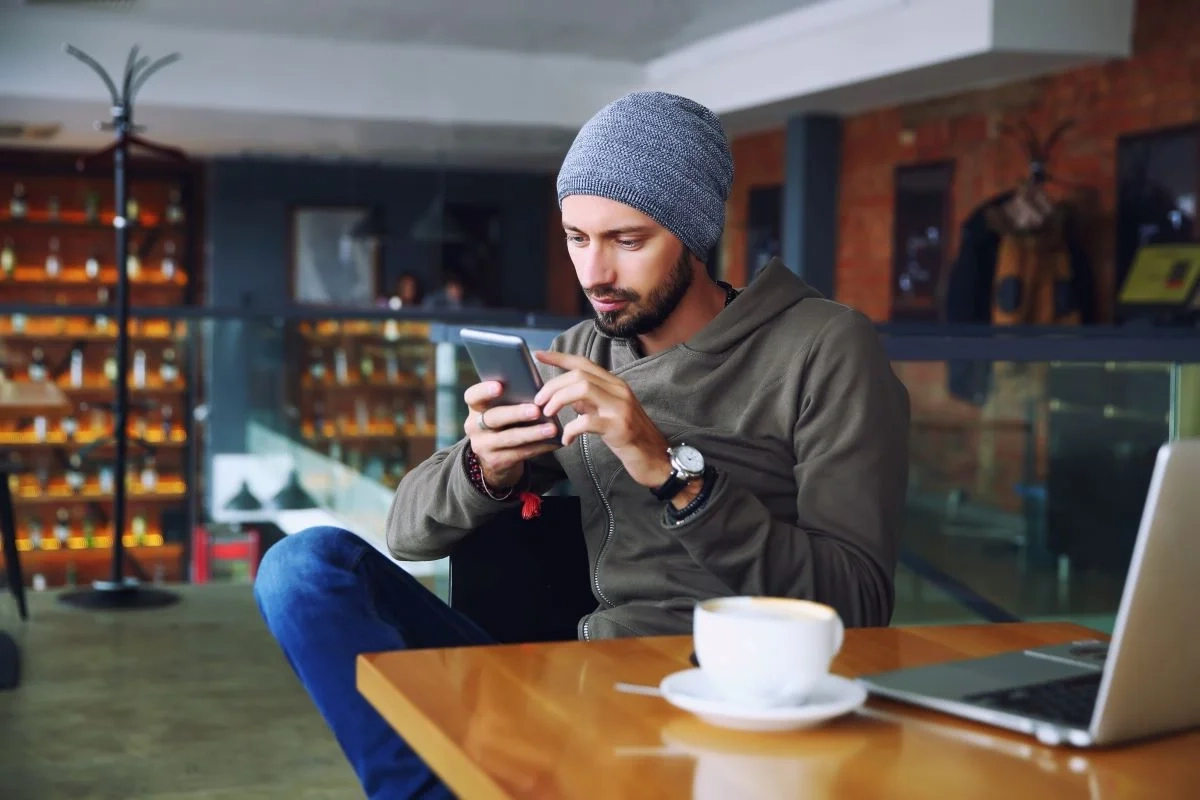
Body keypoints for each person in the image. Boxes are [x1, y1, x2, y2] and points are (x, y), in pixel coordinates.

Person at [254, 90, 911, 798]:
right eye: (576, 237)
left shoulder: (822, 346)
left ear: (692, 234)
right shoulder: (580, 352)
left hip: (718, 693)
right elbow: (408, 536)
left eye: (627, 241)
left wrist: (670, 471)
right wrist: (484, 467)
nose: (595, 274)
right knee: (301, 569)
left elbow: (858, 606)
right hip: (574, 677)